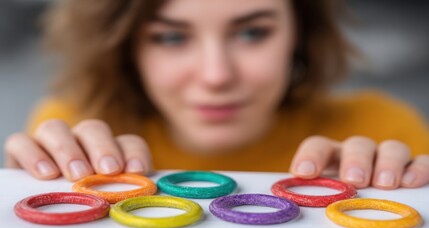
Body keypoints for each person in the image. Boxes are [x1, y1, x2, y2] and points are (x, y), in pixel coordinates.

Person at [4, 0, 429, 190]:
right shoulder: (74, 131)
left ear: (300, 34)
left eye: (252, 32)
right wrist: (23, 193)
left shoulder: (385, 130)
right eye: (171, 37)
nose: (216, 75)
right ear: (124, 47)